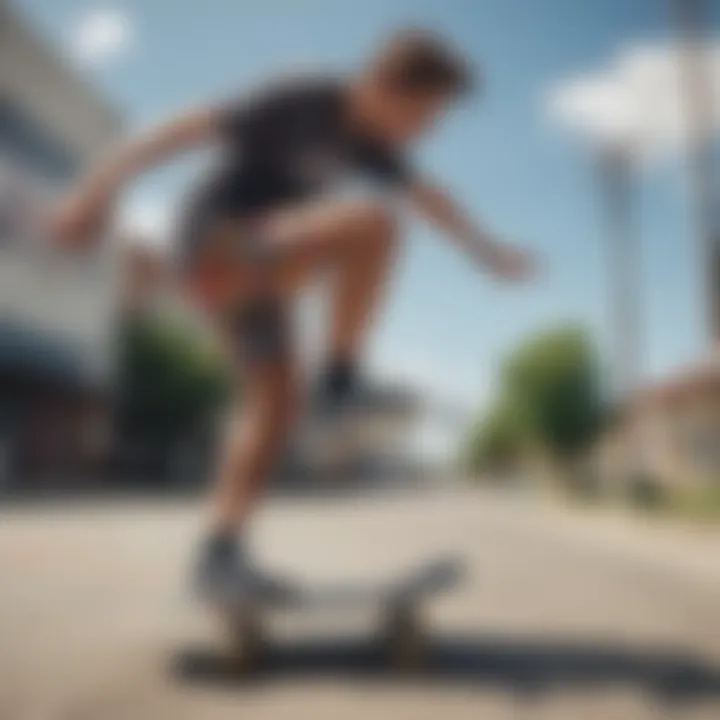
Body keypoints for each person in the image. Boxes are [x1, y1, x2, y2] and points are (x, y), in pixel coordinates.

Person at [50, 29, 535, 598]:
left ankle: (219, 555)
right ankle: (342, 382)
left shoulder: (372, 148)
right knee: (371, 224)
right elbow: (181, 129)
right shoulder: (303, 97)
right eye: (422, 114)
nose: (424, 131)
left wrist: (486, 251)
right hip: (216, 242)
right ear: (384, 85)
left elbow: (432, 197)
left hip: (255, 273)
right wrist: (93, 191)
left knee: (275, 403)